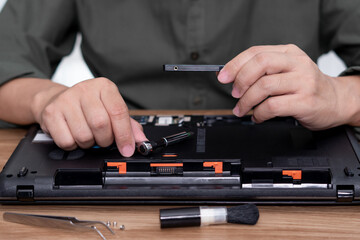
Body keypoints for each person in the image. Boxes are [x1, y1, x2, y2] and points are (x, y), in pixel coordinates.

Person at [0, 0, 360, 157]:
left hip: (285, 152)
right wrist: (48, 100)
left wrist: (341, 95)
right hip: (115, 151)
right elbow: (7, 58)